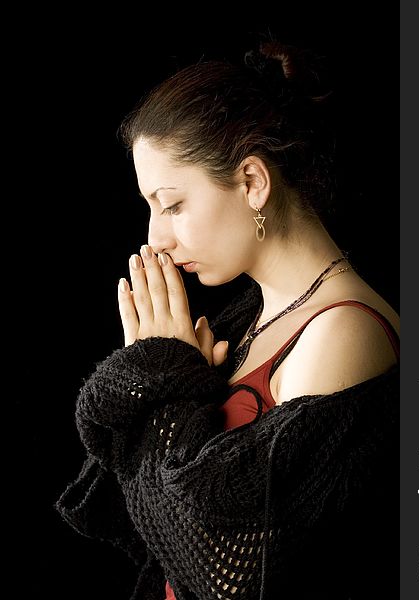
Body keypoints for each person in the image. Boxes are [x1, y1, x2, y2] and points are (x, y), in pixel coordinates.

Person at [56, 41, 399, 600]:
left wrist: (158, 384)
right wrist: (172, 383)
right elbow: (146, 521)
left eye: (171, 204)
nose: (155, 237)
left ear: (251, 181)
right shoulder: (246, 319)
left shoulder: (344, 333)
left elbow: (229, 575)